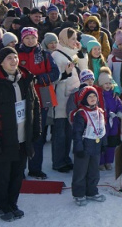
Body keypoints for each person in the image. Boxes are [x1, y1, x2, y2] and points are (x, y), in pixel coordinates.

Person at [0, 47, 41, 221]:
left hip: (23, 135)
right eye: (9, 58)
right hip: (4, 137)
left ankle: (12, 203)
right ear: (1, 62)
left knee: (17, 174)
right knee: (2, 175)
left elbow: (34, 105)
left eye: (15, 57)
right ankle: (1, 206)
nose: (13, 61)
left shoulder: (26, 79)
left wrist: (35, 129)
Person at [16, 27, 60, 180]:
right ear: (22, 39)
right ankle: (19, 170)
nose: (30, 40)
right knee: (21, 135)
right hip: (21, 97)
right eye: (27, 38)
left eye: (32, 38)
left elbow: (55, 73)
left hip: (42, 95)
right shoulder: (16, 53)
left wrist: (38, 78)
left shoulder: (44, 54)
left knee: (38, 135)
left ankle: (35, 168)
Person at [51, 28, 86, 173]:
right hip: (60, 99)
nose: (75, 42)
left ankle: (66, 158)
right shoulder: (56, 55)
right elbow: (53, 78)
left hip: (73, 97)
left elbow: (84, 69)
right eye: (72, 39)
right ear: (65, 39)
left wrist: (80, 52)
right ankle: (58, 161)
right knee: (60, 132)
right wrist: (64, 74)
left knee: (69, 130)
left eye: (76, 38)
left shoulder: (73, 53)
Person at [69, 86, 107, 206]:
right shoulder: (81, 114)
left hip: (96, 146)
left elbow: (103, 129)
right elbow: (77, 133)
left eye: (94, 96)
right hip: (84, 147)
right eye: (89, 96)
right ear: (84, 99)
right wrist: (78, 147)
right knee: (80, 172)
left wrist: (104, 144)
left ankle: (92, 191)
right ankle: (79, 194)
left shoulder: (100, 112)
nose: (92, 98)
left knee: (94, 171)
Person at [98, 69, 122, 171]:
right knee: (103, 143)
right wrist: (107, 114)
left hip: (114, 124)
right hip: (104, 123)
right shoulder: (100, 96)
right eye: (105, 83)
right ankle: (101, 162)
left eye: (109, 83)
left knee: (111, 143)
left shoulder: (114, 95)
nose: (107, 85)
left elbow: (119, 104)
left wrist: (119, 112)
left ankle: (109, 161)